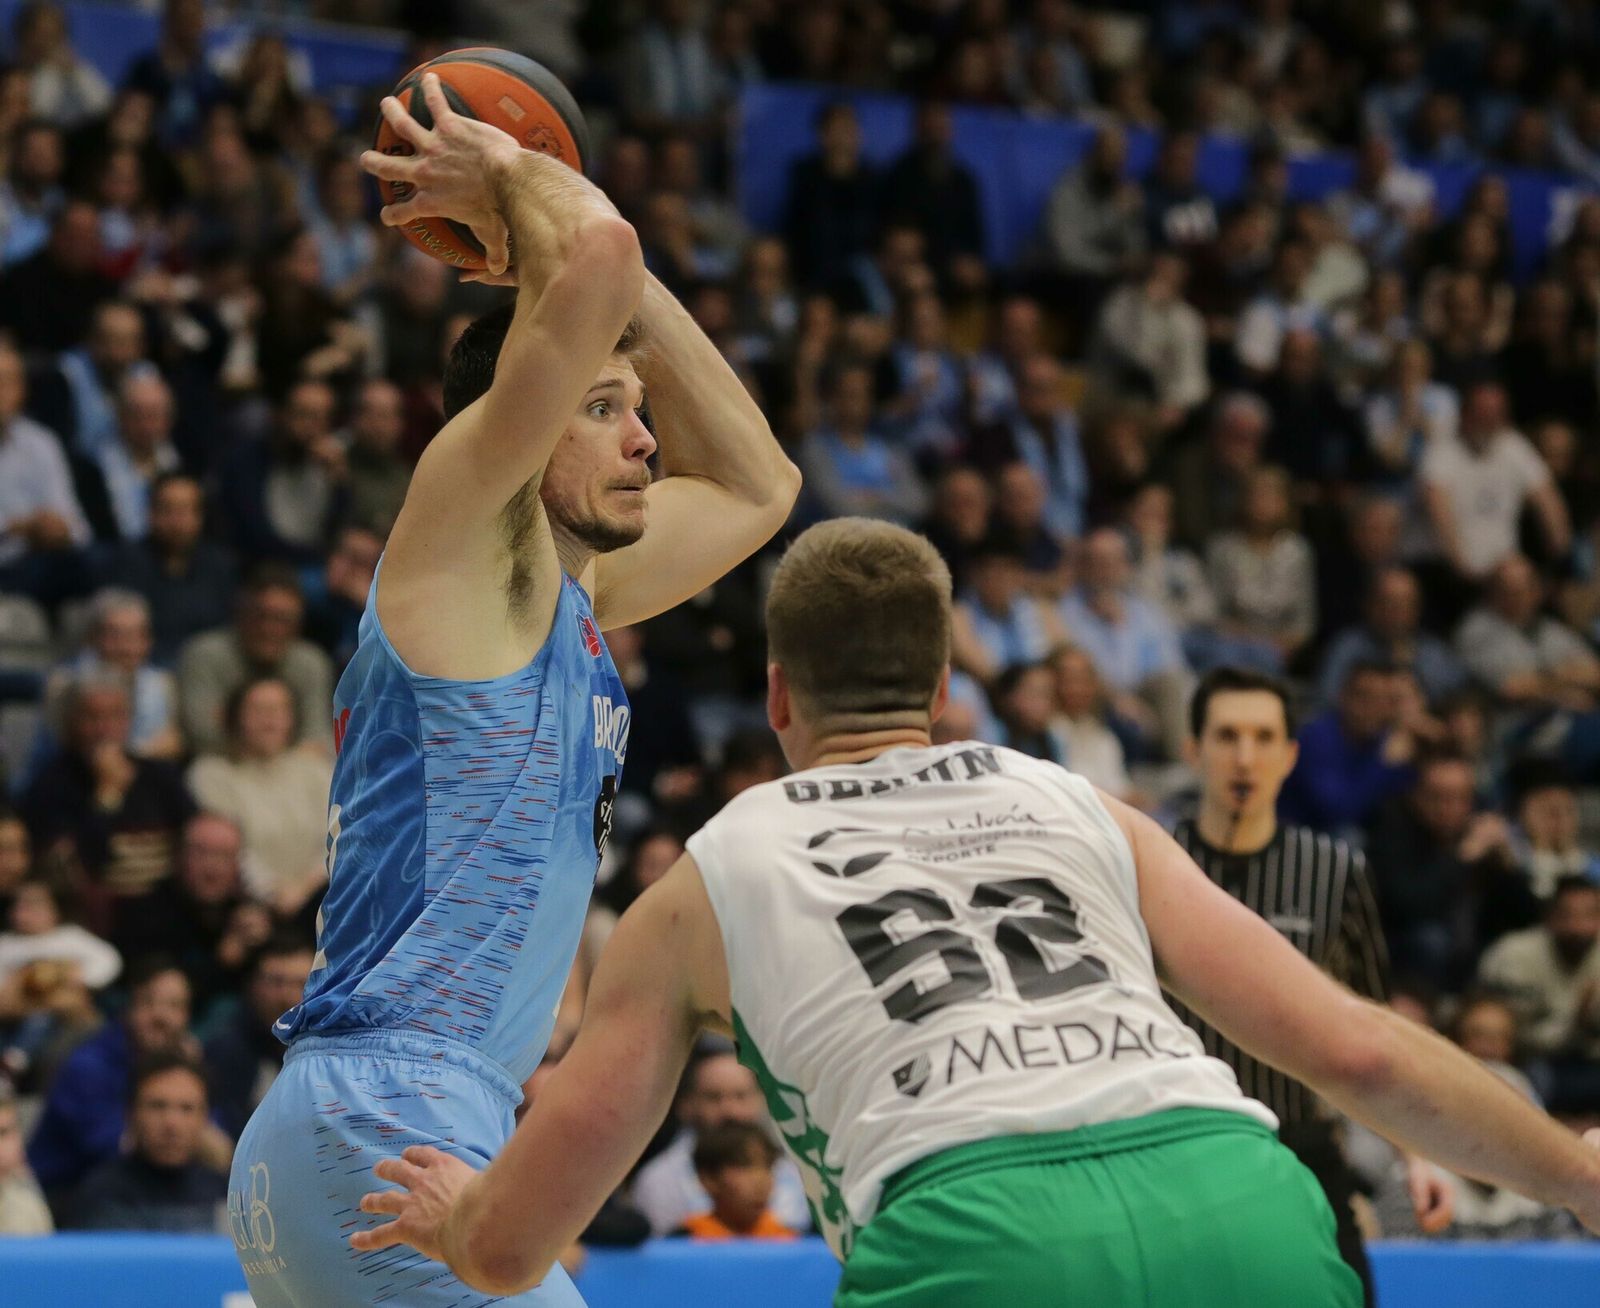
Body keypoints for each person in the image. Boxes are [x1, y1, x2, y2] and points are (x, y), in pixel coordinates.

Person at [347, 518, 1600, 1306]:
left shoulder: (706, 882)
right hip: (1239, 1199)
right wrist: (1575, 1173)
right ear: (943, 689)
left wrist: (461, 1219)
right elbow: (1355, 1047)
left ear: (777, 695)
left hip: (975, 1235)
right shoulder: (1080, 803)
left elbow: (517, 1248)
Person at [229, 73, 798, 1308]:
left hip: (397, 1120)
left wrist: (618, 307)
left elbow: (761, 486)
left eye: (638, 411)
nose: (647, 441)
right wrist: (509, 173)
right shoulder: (461, 544)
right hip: (390, 1115)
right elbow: (596, 246)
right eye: (603, 408)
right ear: (519, 425)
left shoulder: (568, 604)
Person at [1170, 666, 1444, 1305]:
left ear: (1291, 754)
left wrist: (1416, 1155)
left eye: (1264, 737)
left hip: (1303, 1149)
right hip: (1182, 1151)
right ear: (1193, 750)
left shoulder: (1336, 870)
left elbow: (1375, 1025)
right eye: (1227, 735)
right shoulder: (1150, 858)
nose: (1245, 757)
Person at [632, 1043, 810, 1236]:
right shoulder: (658, 1181)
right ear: (686, 1104)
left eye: (740, 1096)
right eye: (714, 1098)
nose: (729, 1111)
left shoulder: (800, 1174)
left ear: (761, 1100)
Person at [66, 1050, 227, 1233]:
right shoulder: (99, 1195)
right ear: (130, 1114)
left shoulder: (225, 1195)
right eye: (157, 1106)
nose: (172, 1123)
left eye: (187, 1109)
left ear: (205, 1118)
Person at [675, 1121, 796, 1241]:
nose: (761, 1181)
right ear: (708, 1178)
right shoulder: (683, 1242)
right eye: (745, 1166)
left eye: (768, 1166)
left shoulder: (789, 1241)